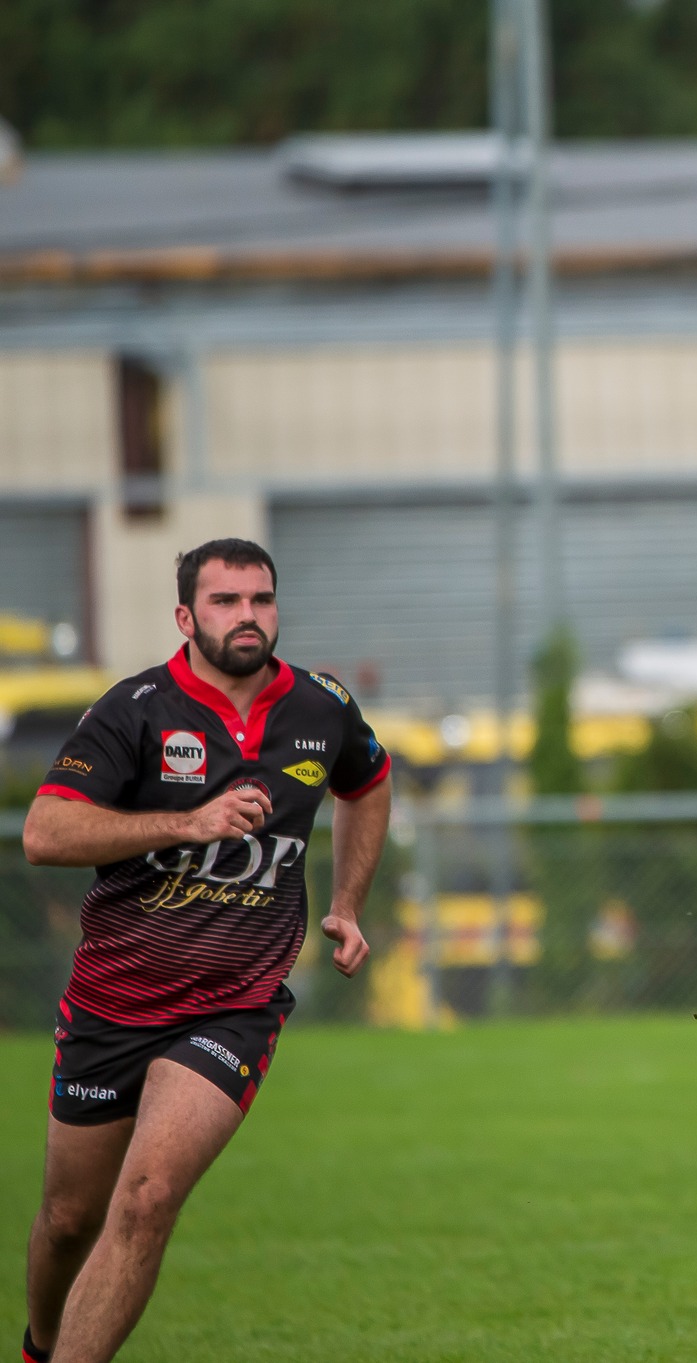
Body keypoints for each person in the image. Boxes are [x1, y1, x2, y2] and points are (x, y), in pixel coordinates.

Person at [18, 538, 391, 1363]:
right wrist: (186, 821)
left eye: (260, 599)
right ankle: (41, 1345)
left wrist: (347, 904)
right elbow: (45, 833)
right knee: (70, 1217)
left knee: (147, 1199)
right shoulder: (135, 709)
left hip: (234, 1002)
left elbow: (368, 780)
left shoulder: (321, 706)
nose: (247, 615)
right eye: (225, 601)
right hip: (112, 1005)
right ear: (186, 617)